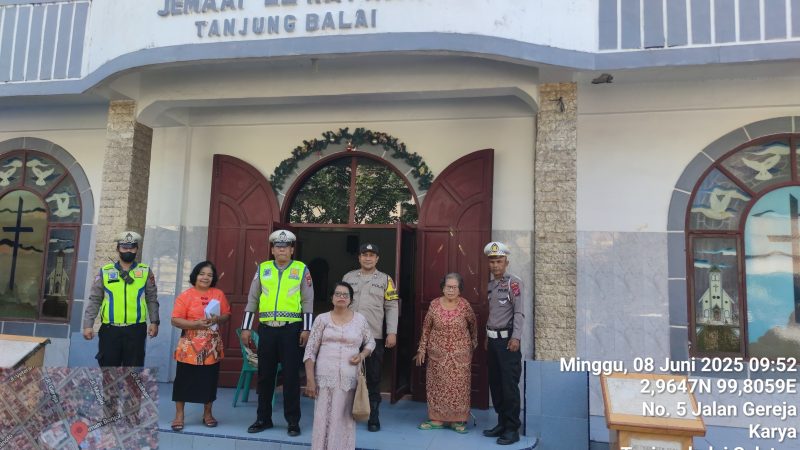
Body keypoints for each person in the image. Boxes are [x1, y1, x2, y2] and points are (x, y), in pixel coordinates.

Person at [240, 229, 314, 437]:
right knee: (265, 376)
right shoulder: (263, 269)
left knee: (290, 376)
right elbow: (252, 300)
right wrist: (246, 327)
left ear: (292, 250)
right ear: (272, 250)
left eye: (286, 247)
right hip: (267, 330)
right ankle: (263, 418)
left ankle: (293, 421)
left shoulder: (301, 269)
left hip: (291, 330)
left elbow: (308, 301)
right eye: (278, 247)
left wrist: (306, 328)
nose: (282, 250)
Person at [303, 282, 376, 450]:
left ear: (351, 299)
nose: (341, 297)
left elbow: (370, 342)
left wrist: (362, 354)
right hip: (324, 378)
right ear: (332, 298)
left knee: (345, 420)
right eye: (338, 294)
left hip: (349, 379)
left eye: (345, 295)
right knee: (323, 418)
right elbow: (310, 351)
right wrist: (310, 380)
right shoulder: (322, 319)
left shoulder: (360, 319)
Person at [341, 243, 399, 431]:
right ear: (359, 257)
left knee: (373, 378)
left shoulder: (386, 280)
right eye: (364, 255)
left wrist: (392, 332)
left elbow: (391, 306)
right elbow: (340, 303)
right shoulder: (348, 277)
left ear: (377, 259)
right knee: (347, 376)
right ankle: (345, 415)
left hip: (374, 337)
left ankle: (373, 416)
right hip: (349, 334)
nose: (367, 258)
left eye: (371, 255)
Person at [82, 231, 159, 366]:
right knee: (109, 373)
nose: (128, 250)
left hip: (136, 330)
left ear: (137, 249)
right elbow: (95, 299)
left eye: (132, 247)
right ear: (118, 249)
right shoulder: (105, 271)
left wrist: (154, 322)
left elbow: (152, 298)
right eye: (124, 247)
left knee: (133, 374)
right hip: (110, 330)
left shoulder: (145, 271)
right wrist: (88, 325)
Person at [170, 261, 231, 432]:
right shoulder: (186, 296)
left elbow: (226, 315)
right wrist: (196, 324)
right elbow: (175, 320)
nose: (205, 277)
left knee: (209, 380)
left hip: (211, 345)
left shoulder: (218, 294)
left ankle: (208, 414)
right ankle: (179, 415)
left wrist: (217, 319)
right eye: (202, 274)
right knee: (183, 380)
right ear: (195, 275)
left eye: (209, 275)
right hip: (189, 345)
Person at [414, 273, 477, 434]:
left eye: (454, 287)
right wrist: (421, 349)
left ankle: (458, 420)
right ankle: (437, 419)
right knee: (437, 387)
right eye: (448, 287)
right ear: (443, 288)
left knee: (459, 388)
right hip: (437, 356)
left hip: (459, 357)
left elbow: (473, 326)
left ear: (460, 289)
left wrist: (472, 344)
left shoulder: (465, 306)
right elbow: (426, 328)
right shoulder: (434, 305)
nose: (450, 290)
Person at [482, 241, 525, 446]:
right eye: (492, 261)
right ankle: (501, 423)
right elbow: (493, 315)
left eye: (499, 261)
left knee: (509, 387)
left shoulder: (513, 283)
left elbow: (518, 312)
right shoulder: (490, 285)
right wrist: (486, 337)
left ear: (506, 262)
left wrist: (516, 337)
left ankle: (512, 429)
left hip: (508, 343)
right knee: (496, 384)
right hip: (492, 341)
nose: (495, 265)